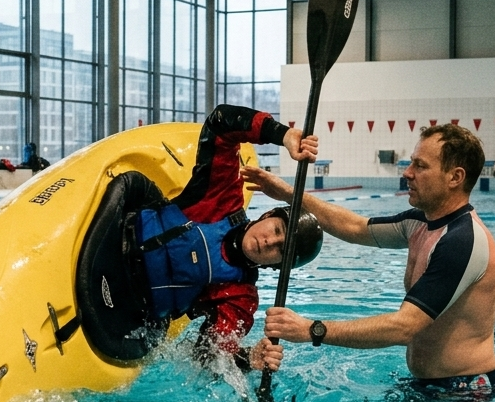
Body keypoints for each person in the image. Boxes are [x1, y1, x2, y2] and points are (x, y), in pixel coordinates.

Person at [242, 123, 495, 392]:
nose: (407, 173)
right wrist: (289, 193)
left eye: (420, 166)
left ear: (455, 177)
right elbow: (356, 228)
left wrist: (311, 330)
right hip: (428, 385)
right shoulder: (420, 223)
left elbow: (404, 327)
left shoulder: (461, 241)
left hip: (466, 392)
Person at [83, 104, 321, 374]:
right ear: (266, 214)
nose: (269, 242)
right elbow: (221, 123)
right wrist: (283, 135)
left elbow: (208, 354)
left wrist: (247, 360)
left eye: (279, 250)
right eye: (276, 231)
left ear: (275, 265)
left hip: (126, 303)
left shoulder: (241, 296)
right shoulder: (223, 199)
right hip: (112, 234)